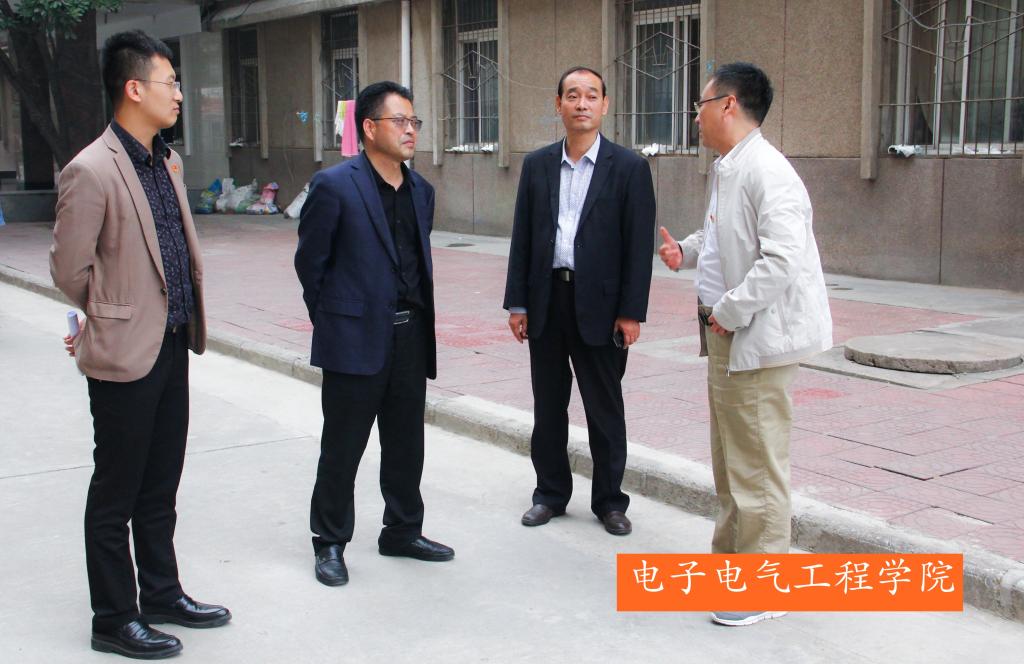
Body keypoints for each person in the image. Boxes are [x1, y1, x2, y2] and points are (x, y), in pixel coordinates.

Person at [50, 30, 230, 659]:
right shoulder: (91, 169)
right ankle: (113, 617)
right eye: (170, 82)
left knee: (160, 485)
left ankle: (161, 593)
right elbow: (69, 270)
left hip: (174, 343)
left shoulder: (165, 162)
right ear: (133, 88)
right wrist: (111, 316)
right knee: (116, 491)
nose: (178, 93)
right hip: (126, 354)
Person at [657, 62, 833, 627]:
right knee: (731, 462)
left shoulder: (768, 171)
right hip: (727, 332)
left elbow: (782, 259)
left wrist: (729, 311)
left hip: (752, 335)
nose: (696, 117)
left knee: (756, 465)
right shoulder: (731, 167)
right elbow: (723, 232)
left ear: (728, 105)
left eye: (701, 105)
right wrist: (687, 250)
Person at [295, 81, 453, 587]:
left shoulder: (421, 191)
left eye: (414, 122)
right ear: (368, 128)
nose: (411, 131)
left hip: (410, 336)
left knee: (406, 443)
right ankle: (329, 541)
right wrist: (335, 321)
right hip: (354, 338)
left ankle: (402, 531)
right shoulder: (335, 185)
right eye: (399, 121)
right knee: (343, 446)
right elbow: (311, 264)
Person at [503, 66, 656, 536]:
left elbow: (638, 247)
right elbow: (523, 236)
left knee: (604, 409)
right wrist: (518, 303)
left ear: (605, 105)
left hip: (603, 308)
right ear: (559, 105)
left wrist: (631, 312)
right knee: (548, 406)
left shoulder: (629, 168)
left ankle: (610, 501)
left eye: (591, 95)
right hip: (547, 299)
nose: (582, 103)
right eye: (572, 95)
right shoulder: (538, 165)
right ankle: (549, 494)